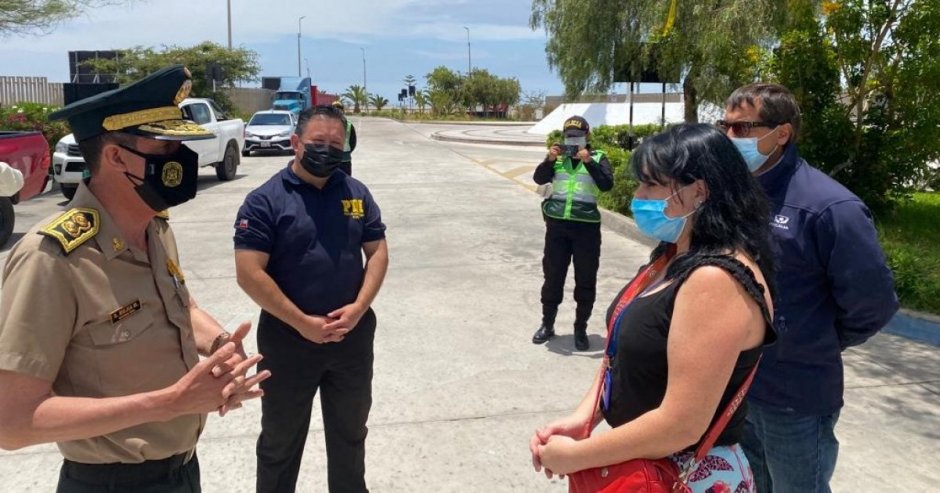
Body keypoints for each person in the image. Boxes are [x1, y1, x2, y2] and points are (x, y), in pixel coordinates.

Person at [0, 65, 268, 493]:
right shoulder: (51, 258)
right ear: (116, 157)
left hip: (183, 471)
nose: (181, 157)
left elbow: (182, 306)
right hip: (111, 483)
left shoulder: (155, 228)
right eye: (164, 147)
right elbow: (12, 424)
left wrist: (221, 348)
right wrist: (170, 404)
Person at [530, 124, 777, 492]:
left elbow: (681, 425)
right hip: (641, 462)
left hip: (681, 475)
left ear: (698, 192)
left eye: (650, 185)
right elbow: (619, 355)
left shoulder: (714, 281)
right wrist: (585, 417)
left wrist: (576, 457)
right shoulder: (672, 256)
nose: (637, 195)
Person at [719, 83, 899, 493]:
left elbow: (873, 303)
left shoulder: (829, 207)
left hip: (795, 398)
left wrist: (813, 340)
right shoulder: (734, 196)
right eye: (724, 126)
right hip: (739, 386)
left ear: (781, 133)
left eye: (742, 128)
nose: (729, 137)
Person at [233, 104, 388, 493]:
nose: (327, 150)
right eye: (318, 141)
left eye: (336, 144)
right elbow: (249, 273)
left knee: (351, 434)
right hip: (288, 343)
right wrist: (303, 323)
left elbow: (378, 252)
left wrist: (359, 308)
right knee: (280, 441)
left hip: (351, 339)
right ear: (296, 142)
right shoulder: (265, 201)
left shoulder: (356, 193)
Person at [531, 116, 614, 351]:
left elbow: (606, 184)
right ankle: (547, 324)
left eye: (577, 137)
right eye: (569, 137)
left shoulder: (598, 157)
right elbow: (539, 178)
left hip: (586, 229)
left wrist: (588, 161)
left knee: (586, 278)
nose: (573, 141)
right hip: (557, 227)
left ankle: (580, 329)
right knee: (553, 276)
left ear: (587, 136)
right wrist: (549, 159)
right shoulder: (557, 159)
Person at [331, 100, 357, 176]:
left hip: (340, 159)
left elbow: (353, 141)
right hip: (335, 159)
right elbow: (353, 142)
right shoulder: (326, 124)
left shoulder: (349, 125)